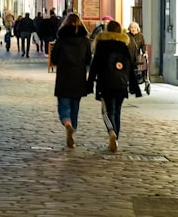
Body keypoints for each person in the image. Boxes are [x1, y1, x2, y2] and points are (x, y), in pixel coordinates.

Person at [88, 20, 141, 153]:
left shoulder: (102, 45)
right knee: (117, 111)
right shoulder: (124, 46)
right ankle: (116, 138)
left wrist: (89, 84)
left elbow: (94, 66)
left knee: (107, 112)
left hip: (105, 84)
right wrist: (135, 87)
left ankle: (111, 132)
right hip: (121, 85)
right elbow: (129, 68)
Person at [51, 13, 92, 148]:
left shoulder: (61, 39)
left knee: (64, 105)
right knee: (75, 107)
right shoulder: (85, 40)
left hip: (64, 77)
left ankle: (67, 124)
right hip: (79, 78)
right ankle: (72, 130)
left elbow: (54, 58)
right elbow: (88, 60)